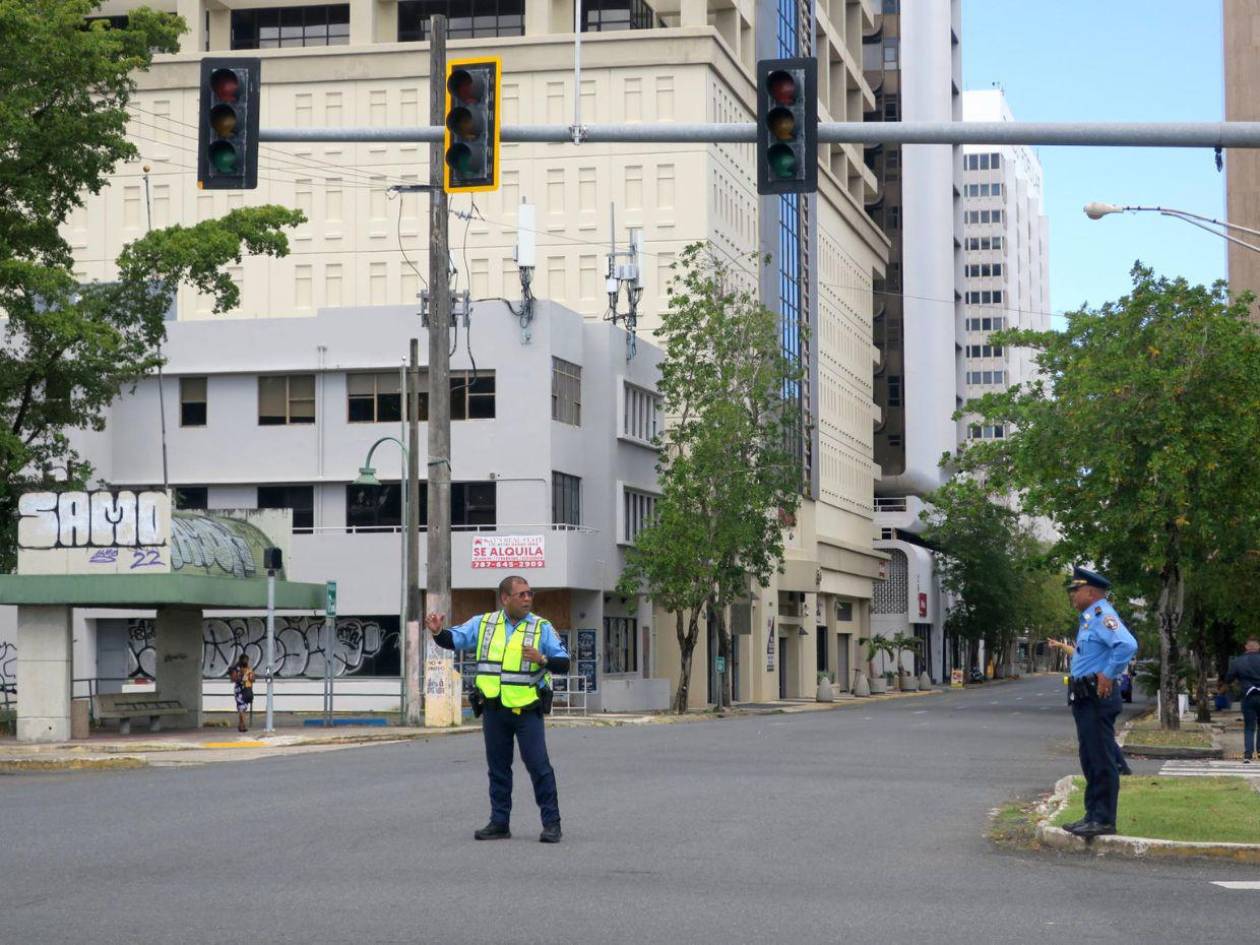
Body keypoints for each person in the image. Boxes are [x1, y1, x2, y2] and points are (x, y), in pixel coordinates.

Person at [425, 575, 570, 842]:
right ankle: (499, 822)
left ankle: (552, 823)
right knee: (498, 768)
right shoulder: (484, 624)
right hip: (494, 709)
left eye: (530, 594)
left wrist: (543, 658)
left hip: (527, 709)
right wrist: (437, 632)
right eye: (522, 594)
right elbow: (452, 639)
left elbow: (564, 663)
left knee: (539, 766)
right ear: (505, 598)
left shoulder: (541, 627)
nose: (528, 599)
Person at [1062, 566, 1138, 838]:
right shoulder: (1089, 619)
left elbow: (1127, 645)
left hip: (1097, 695)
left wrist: (1108, 673)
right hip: (1086, 696)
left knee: (1101, 757)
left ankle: (1104, 819)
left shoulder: (1102, 615)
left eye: (1076, 590)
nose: (1073, 595)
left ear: (1091, 592)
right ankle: (1093, 815)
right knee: (1090, 757)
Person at [1048, 636, 1132, 776]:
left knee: (1100, 734)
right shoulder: (1090, 653)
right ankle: (1117, 768)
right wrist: (1061, 646)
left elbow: (1128, 646)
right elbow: (1076, 653)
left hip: (1098, 691)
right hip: (1086, 691)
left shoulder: (1105, 647)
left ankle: (1118, 768)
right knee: (1098, 735)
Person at [1224, 636, 1260, 764]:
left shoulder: (1238, 661)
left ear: (1246, 647)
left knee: (1249, 726)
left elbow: (1228, 678)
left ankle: (1248, 755)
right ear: (1258, 646)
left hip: (1248, 696)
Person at [229, 654, 255, 733]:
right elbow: (233, 679)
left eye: (247, 660)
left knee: (243, 708)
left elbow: (252, 679)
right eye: (245, 660)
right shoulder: (237, 669)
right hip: (240, 690)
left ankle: (241, 725)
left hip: (246, 689)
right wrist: (241, 675)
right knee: (241, 708)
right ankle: (242, 725)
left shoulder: (248, 669)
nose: (246, 662)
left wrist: (250, 676)